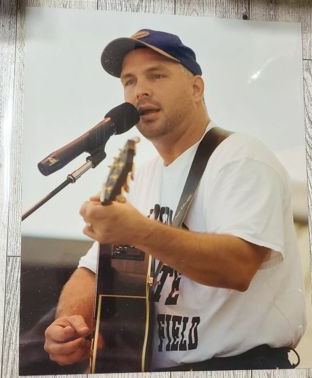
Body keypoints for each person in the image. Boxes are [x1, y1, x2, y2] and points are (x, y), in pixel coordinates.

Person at [44, 29, 306, 371]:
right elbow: (92, 271)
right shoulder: (141, 177)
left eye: (157, 75)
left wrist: (139, 231)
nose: (140, 91)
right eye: (129, 81)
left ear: (197, 88)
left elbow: (237, 267)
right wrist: (70, 322)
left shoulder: (241, 158)